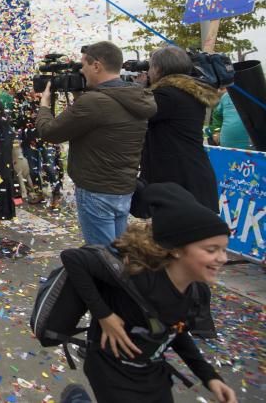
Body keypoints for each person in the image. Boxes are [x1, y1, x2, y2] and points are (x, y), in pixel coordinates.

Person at [59, 184, 237, 403]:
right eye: (211, 250)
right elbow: (72, 258)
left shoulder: (196, 293)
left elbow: (175, 331)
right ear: (176, 249)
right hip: (110, 371)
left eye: (224, 249)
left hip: (152, 373)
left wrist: (210, 377)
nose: (223, 258)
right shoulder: (138, 278)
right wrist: (104, 315)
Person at [37, 42, 156, 246]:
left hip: (96, 190)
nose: (81, 70)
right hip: (123, 187)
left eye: (83, 65)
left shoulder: (94, 102)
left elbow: (50, 132)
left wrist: (44, 104)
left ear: (96, 66)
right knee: (118, 250)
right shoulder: (136, 95)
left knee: (102, 257)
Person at [140, 46, 221, 212]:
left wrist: (137, 89)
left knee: (180, 236)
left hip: (179, 181)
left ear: (158, 69)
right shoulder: (187, 92)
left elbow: (135, 112)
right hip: (193, 176)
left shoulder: (166, 96)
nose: (147, 73)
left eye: (149, 67)